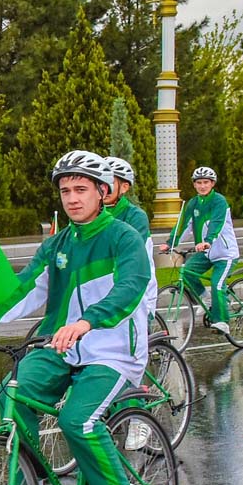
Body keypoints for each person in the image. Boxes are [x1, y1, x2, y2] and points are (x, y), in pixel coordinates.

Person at [0, 150, 153, 485]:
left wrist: (87, 322)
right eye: (65, 191)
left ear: (102, 192)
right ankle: (27, 484)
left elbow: (132, 287)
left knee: (79, 421)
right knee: (13, 391)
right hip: (60, 344)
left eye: (81, 189)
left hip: (110, 350)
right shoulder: (57, 244)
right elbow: (23, 288)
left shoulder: (123, 237)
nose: (72, 198)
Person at [104, 156, 158, 449]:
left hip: (136, 296)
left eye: (109, 182)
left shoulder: (134, 217)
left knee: (132, 355)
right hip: (103, 300)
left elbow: (127, 260)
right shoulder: (96, 213)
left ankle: (140, 418)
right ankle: (113, 412)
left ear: (124, 187)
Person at [159, 166, 239, 335]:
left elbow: (216, 223)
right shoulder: (193, 204)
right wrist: (170, 243)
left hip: (225, 253)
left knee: (217, 284)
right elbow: (183, 226)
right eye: (199, 183)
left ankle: (222, 321)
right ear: (194, 185)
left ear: (212, 184)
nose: (202, 186)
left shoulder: (219, 201)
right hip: (206, 253)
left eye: (206, 182)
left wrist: (208, 241)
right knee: (187, 271)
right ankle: (206, 298)